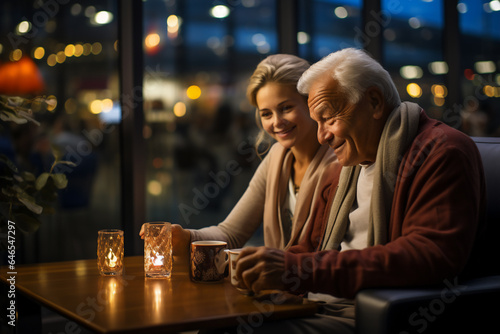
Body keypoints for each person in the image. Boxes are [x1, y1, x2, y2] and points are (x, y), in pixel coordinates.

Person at [233, 48, 486, 333]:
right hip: (316, 306)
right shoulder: (341, 169)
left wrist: (296, 271)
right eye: (317, 122)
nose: (321, 136)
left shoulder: (441, 150)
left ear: (374, 102)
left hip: (363, 316)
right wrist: (265, 272)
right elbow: (308, 248)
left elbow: (430, 255)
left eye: (328, 118)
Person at [140, 54, 338, 254]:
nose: (277, 122)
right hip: (279, 284)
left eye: (286, 108)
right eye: (266, 114)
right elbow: (232, 233)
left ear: (310, 103)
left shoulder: (339, 161)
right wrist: (187, 237)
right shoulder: (277, 159)